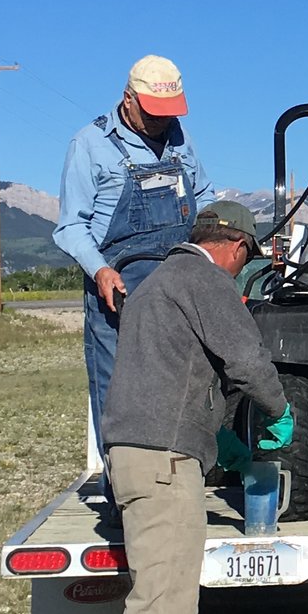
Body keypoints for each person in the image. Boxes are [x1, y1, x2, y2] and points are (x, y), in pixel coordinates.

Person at [89, 200, 291, 614]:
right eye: (246, 257)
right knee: (157, 607)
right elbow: (248, 359)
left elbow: (169, 376)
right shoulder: (205, 279)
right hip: (163, 463)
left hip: (142, 452)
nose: (242, 267)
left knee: (177, 603)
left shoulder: (154, 286)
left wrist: (215, 438)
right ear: (232, 245)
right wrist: (279, 413)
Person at [55, 56, 212, 452]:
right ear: (128, 100)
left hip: (178, 284)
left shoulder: (180, 138)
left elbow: (205, 195)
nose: (163, 122)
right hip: (117, 288)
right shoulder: (89, 145)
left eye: (170, 113)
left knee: (181, 387)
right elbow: (71, 226)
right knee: (118, 393)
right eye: (154, 113)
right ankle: (122, 500)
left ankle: (172, 482)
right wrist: (100, 271)